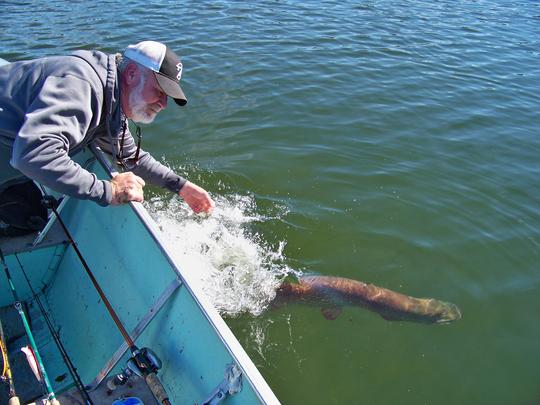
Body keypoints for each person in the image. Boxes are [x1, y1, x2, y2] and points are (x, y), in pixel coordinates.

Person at [0, 40, 214, 235]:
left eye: (168, 96)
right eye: (159, 91)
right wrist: (110, 191)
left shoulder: (112, 100)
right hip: (14, 154)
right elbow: (33, 155)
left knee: (30, 216)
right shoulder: (81, 86)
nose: (163, 104)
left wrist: (181, 186)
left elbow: (131, 157)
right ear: (131, 73)